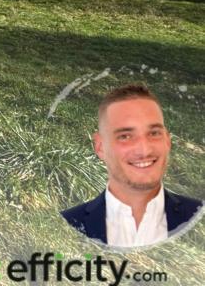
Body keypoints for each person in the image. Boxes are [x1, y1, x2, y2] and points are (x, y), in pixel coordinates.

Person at [62, 83, 202, 247]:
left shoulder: (198, 215)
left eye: (154, 133)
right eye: (125, 136)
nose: (144, 150)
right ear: (100, 147)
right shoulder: (67, 225)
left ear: (167, 141)